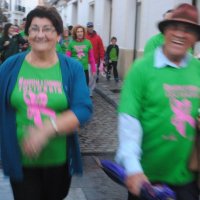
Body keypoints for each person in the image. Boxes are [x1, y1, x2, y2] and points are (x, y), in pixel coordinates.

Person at [0, 6, 92, 200]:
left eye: (47, 29)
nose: (40, 34)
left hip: (58, 162)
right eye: (34, 28)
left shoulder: (72, 68)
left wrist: (47, 129)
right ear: (27, 33)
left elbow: (83, 109)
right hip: (21, 160)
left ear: (58, 34)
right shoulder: (11, 66)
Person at [116, 3, 200, 200]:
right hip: (146, 179)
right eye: (174, 27)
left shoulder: (197, 68)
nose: (180, 34)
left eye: (188, 30)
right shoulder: (141, 69)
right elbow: (129, 120)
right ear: (165, 31)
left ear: (195, 38)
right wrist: (133, 167)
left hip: (185, 179)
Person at [86, 21, 105, 91]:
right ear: (87, 28)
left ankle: (90, 91)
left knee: (94, 76)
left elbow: (101, 48)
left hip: (95, 61)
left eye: (91, 27)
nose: (90, 28)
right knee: (88, 76)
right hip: (86, 60)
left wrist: (102, 59)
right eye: (89, 27)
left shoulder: (98, 37)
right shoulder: (85, 37)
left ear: (93, 27)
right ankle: (87, 89)